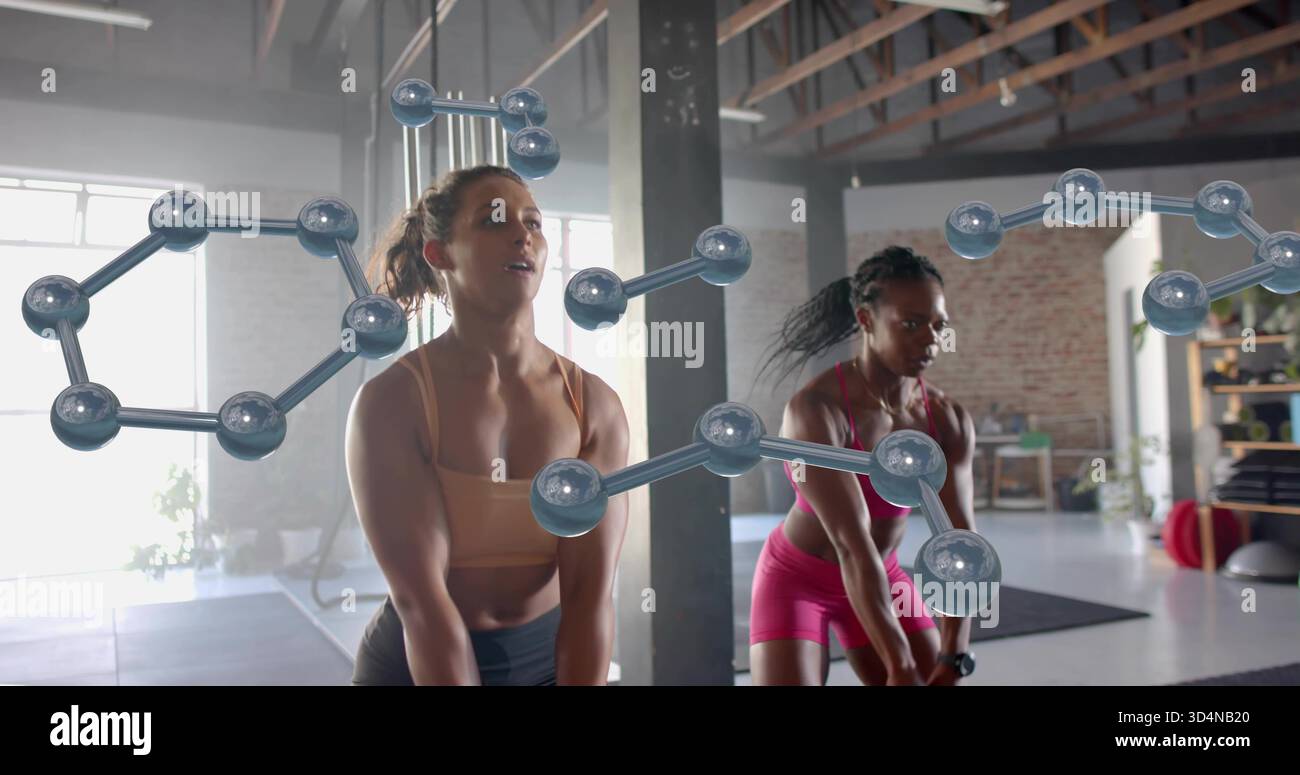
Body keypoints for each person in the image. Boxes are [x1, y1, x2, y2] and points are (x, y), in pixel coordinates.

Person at [346, 165, 629, 685]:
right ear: (440, 253)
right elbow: (422, 606)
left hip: (549, 661)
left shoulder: (596, 406)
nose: (523, 234)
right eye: (494, 220)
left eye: (534, 222)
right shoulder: (392, 402)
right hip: (418, 663)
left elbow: (591, 600)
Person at [750, 245, 979, 686]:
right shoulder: (817, 410)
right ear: (866, 320)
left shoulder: (946, 419)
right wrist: (901, 665)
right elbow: (851, 545)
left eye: (937, 325)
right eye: (911, 324)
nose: (930, 339)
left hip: (884, 576)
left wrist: (954, 656)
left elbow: (960, 545)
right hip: (799, 579)